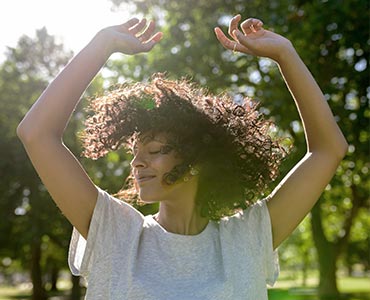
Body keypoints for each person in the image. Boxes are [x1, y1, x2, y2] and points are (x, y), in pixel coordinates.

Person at [17, 14, 348, 300]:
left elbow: (328, 150)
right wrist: (101, 44)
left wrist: (285, 54)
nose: (136, 163)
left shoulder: (246, 237)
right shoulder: (115, 231)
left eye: (155, 151)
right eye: (135, 153)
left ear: (199, 158)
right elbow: (36, 134)